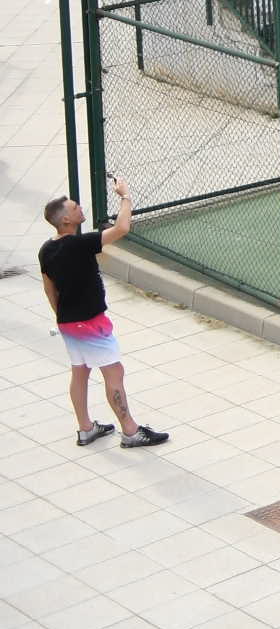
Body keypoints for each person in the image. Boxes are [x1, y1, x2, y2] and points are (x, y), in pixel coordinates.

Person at [38, 182, 168, 448]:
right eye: (75, 207)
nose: (80, 208)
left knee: (80, 372)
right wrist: (125, 197)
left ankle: (86, 429)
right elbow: (122, 228)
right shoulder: (80, 244)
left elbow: (49, 290)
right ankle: (130, 431)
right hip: (91, 323)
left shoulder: (46, 250)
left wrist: (64, 318)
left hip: (68, 323)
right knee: (114, 372)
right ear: (66, 220)